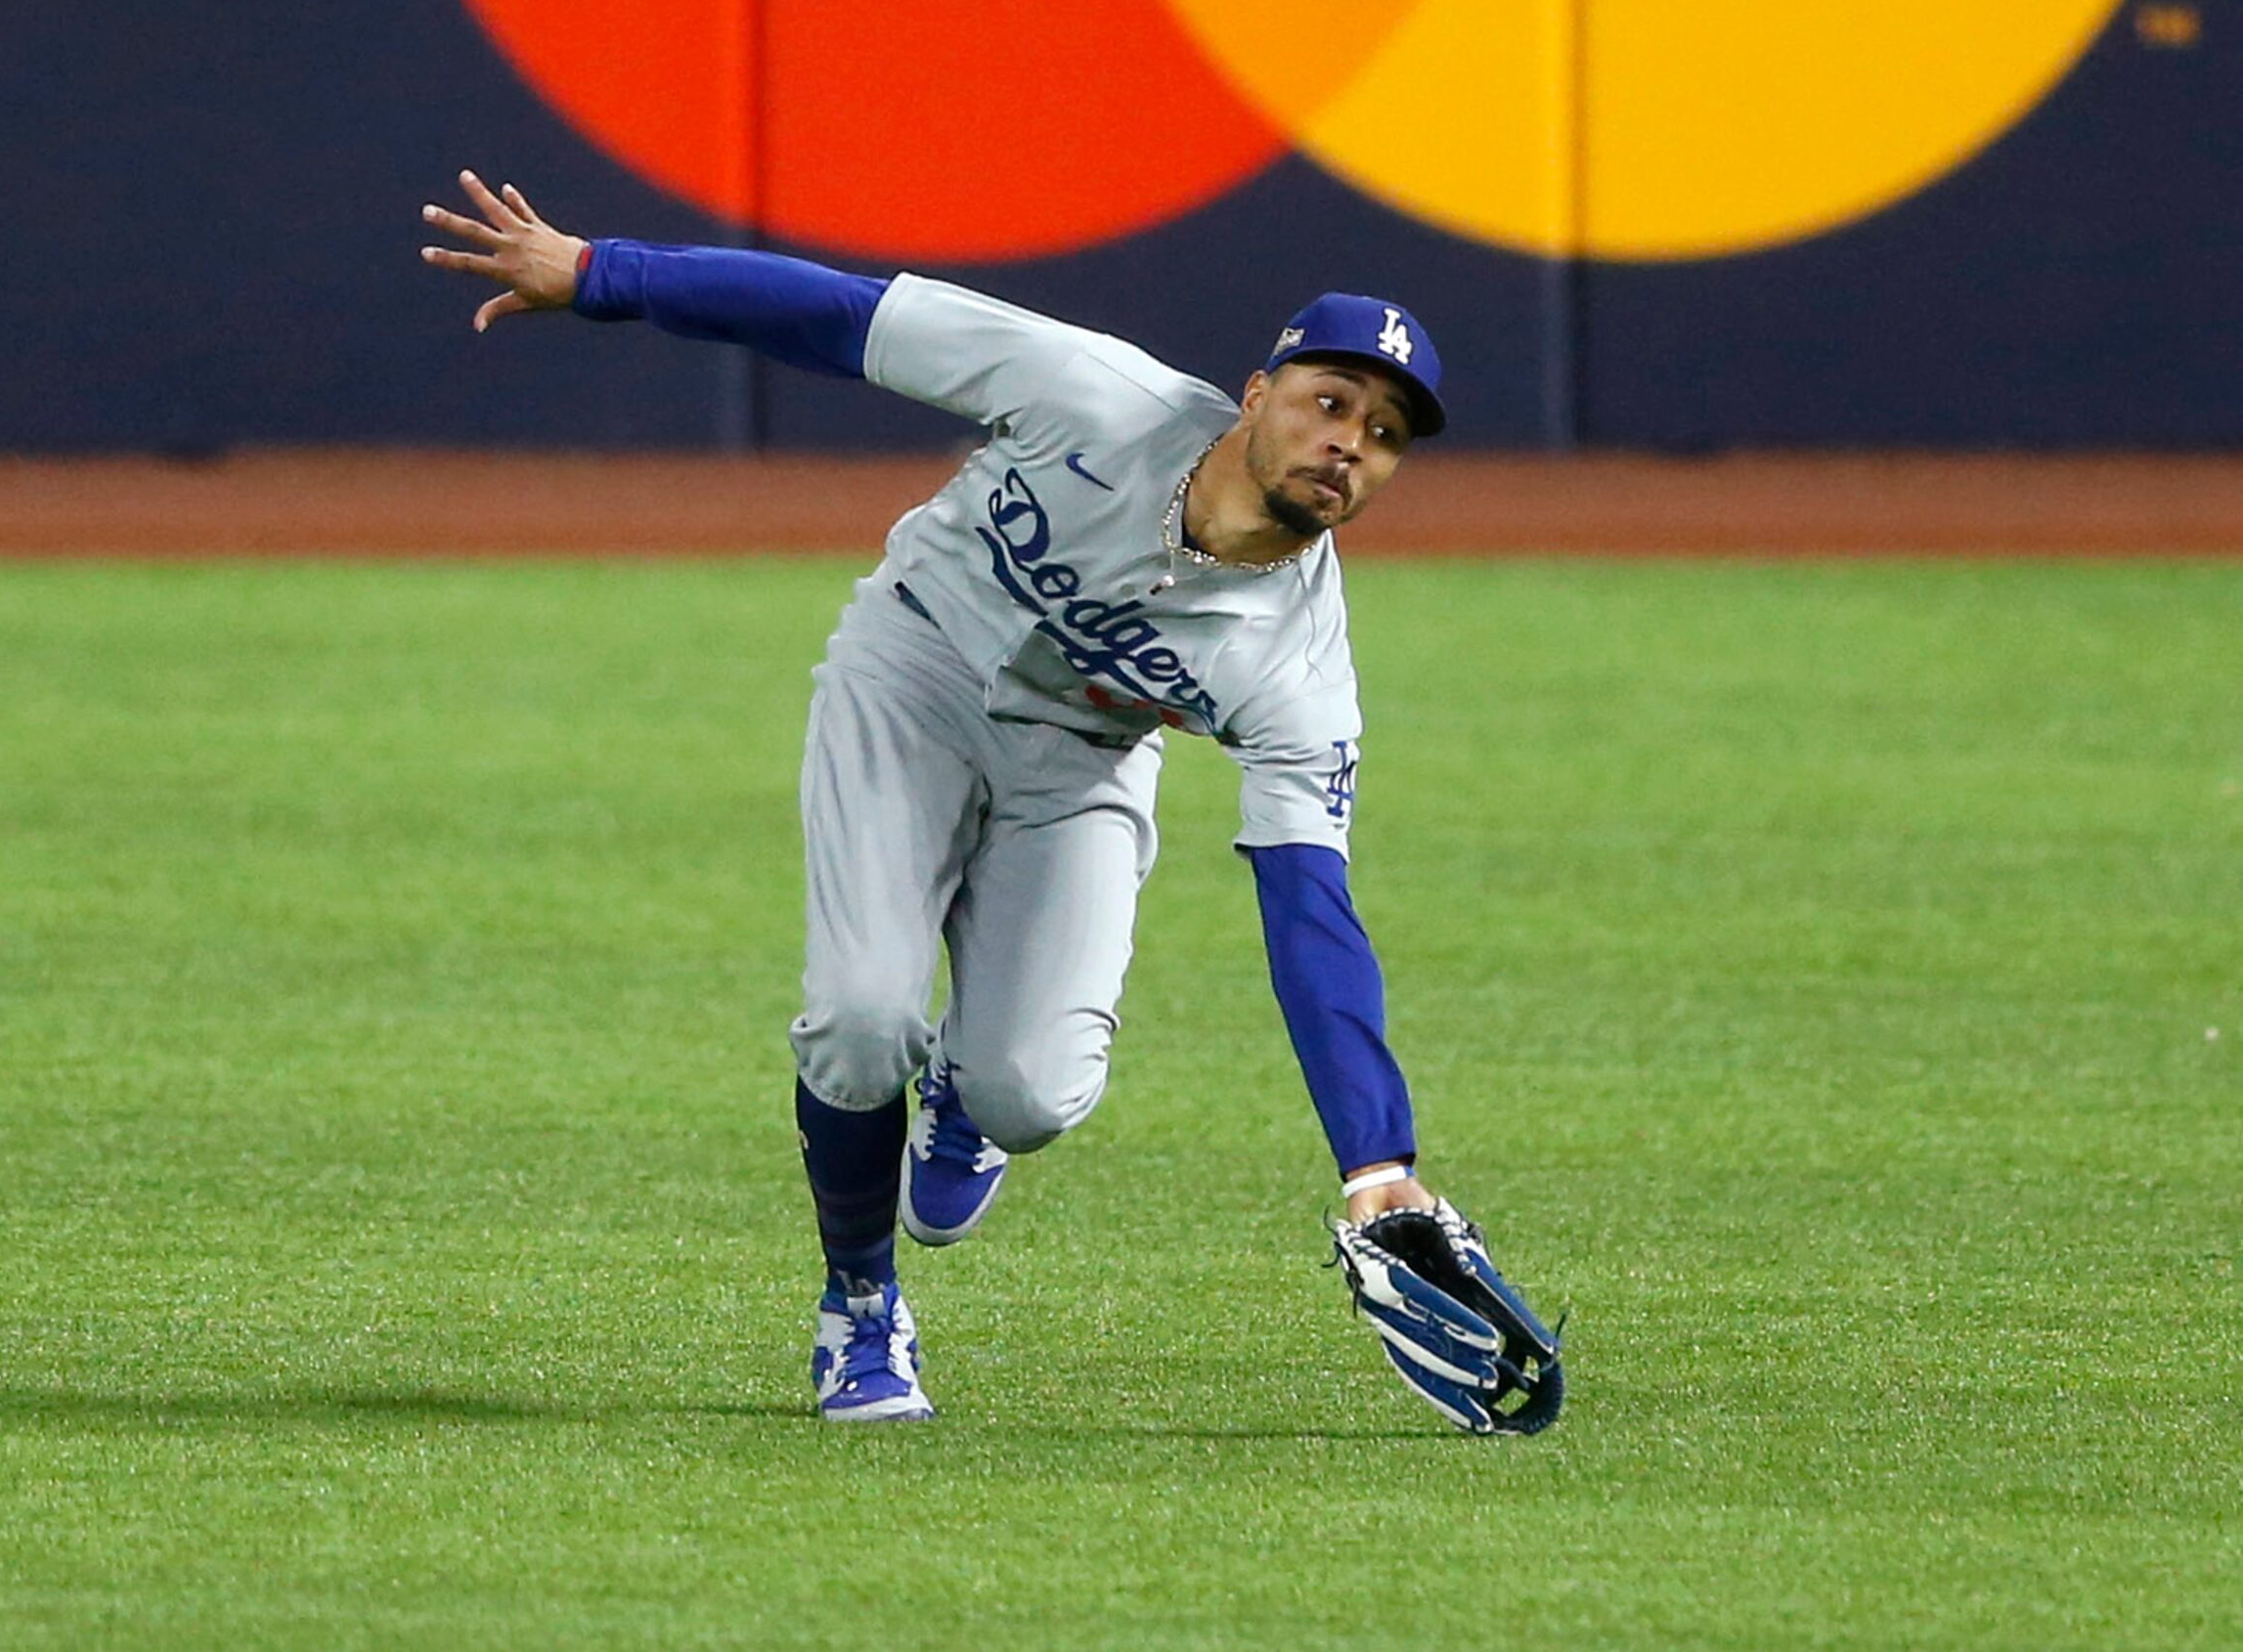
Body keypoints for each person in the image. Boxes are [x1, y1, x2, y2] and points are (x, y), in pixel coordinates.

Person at [420, 169, 1518, 1426]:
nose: (1349, 445)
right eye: (1331, 403)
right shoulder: (1091, 394)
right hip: (913, 675)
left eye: (1383, 435)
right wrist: (602, 271)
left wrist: (1378, 1162)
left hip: (1080, 768)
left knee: (1032, 1095)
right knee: (857, 1019)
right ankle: (860, 1305)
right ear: (1258, 395)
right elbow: (843, 316)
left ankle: (966, 1098)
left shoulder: (1301, 670)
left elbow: (1310, 910)